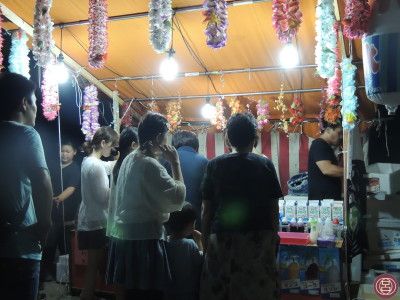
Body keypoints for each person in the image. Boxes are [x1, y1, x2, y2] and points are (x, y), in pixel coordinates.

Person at [200, 112, 283, 300]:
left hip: (221, 240)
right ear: (255, 138)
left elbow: (206, 210)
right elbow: (273, 207)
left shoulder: (214, 165)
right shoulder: (265, 164)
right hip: (258, 240)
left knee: (221, 293)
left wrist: (206, 244)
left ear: (228, 138)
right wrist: (273, 237)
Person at [106, 112, 186, 300]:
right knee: (148, 294)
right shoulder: (149, 164)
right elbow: (176, 198)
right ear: (159, 137)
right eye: (166, 135)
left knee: (132, 293)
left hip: (125, 237)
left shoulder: (130, 159)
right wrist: (175, 163)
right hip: (144, 239)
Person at [0, 73, 53, 300]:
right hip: (21, 244)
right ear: (23, 102)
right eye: (34, 102)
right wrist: (44, 225)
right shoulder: (26, 133)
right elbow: (42, 183)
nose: (36, 109)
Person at [77, 126, 118, 300]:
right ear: (103, 143)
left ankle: (87, 295)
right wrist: (117, 189)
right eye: (112, 145)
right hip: (96, 221)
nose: (113, 149)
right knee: (95, 264)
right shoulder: (95, 166)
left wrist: (121, 158)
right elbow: (103, 196)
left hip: (89, 218)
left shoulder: (88, 161)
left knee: (93, 264)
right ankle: (87, 296)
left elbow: (108, 166)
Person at [40, 140, 81, 286]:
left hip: (66, 212)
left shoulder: (75, 168)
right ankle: (46, 272)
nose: (64, 154)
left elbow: (72, 187)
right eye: (62, 151)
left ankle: (69, 276)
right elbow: (47, 182)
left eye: (67, 151)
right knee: (49, 244)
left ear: (74, 153)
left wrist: (59, 198)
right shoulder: (53, 166)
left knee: (65, 245)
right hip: (51, 211)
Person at [106, 126, 139, 300]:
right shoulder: (132, 164)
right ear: (134, 145)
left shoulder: (118, 165)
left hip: (116, 228)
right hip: (127, 228)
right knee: (130, 276)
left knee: (121, 274)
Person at [163, 130, 208, 229]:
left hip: (169, 224)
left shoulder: (163, 161)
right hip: (195, 223)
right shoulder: (205, 162)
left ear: (173, 146)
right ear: (196, 147)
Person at [165, 202, 203, 300]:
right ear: (190, 224)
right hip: (188, 293)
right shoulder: (189, 244)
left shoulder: (164, 242)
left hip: (168, 293)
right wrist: (199, 241)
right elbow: (200, 262)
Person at [308, 120, 343, 200]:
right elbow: (327, 169)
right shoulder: (319, 144)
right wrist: (349, 172)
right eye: (339, 133)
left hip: (327, 201)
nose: (341, 137)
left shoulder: (325, 146)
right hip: (323, 202)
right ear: (328, 130)